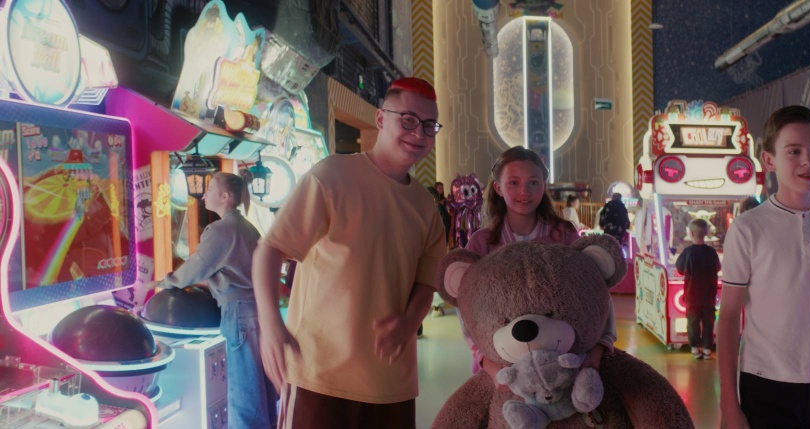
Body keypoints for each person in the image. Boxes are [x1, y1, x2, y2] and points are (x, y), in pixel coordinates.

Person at [251, 77, 447, 428]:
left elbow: (426, 281)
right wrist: (269, 325)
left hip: (391, 383)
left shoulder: (425, 206)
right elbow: (270, 250)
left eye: (429, 125)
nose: (418, 133)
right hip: (319, 376)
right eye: (408, 120)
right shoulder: (331, 176)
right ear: (381, 118)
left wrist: (407, 324)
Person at [718, 106, 810, 429]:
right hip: (765, 384)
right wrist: (728, 403)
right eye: (794, 151)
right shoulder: (747, 228)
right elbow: (728, 317)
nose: (808, 161)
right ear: (769, 160)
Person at [463, 146, 617, 379]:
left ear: (544, 185)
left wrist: (601, 344)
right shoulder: (481, 242)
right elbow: (466, 306)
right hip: (502, 366)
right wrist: (486, 361)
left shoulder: (563, 234)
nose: (525, 191)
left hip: (563, 361)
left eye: (533, 182)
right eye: (514, 182)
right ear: (498, 188)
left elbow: (593, 288)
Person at [154, 172, 276, 428]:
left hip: (238, 313)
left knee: (244, 394)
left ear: (225, 197)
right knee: (260, 390)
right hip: (257, 310)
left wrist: (166, 282)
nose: (204, 195)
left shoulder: (220, 230)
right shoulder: (248, 227)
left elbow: (198, 265)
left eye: (210, 190)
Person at [674, 218, 720, 360]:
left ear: (691, 233)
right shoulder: (712, 252)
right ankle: (707, 349)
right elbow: (718, 268)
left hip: (692, 295)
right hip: (709, 295)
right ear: (706, 233)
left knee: (692, 323)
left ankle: (695, 348)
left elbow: (679, 268)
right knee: (708, 323)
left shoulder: (688, 252)